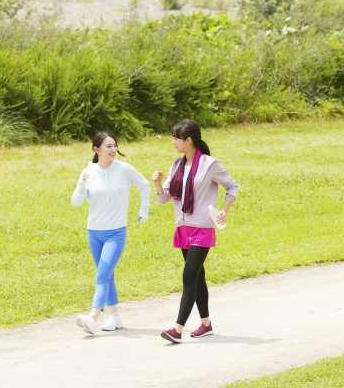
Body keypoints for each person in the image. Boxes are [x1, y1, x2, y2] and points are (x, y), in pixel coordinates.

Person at [152, 119, 238, 343]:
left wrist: (224, 211)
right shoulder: (176, 165)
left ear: (188, 140)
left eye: (176, 138)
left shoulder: (210, 164)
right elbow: (164, 199)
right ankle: (206, 324)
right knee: (198, 277)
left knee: (189, 275)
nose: (173, 142)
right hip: (183, 228)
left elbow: (232, 186)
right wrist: (158, 184)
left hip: (202, 229)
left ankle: (177, 329)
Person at [71, 131, 150, 335]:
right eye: (108, 146)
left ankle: (93, 317)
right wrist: (81, 184)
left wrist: (143, 210)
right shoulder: (88, 171)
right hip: (94, 232)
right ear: (96, 150)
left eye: (115, 145)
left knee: (102, 275)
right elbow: (76, 202)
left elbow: (144, 185)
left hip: (115, 232)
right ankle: (115, 316)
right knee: (107, 274)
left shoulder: (124, 169)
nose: (113, 150)